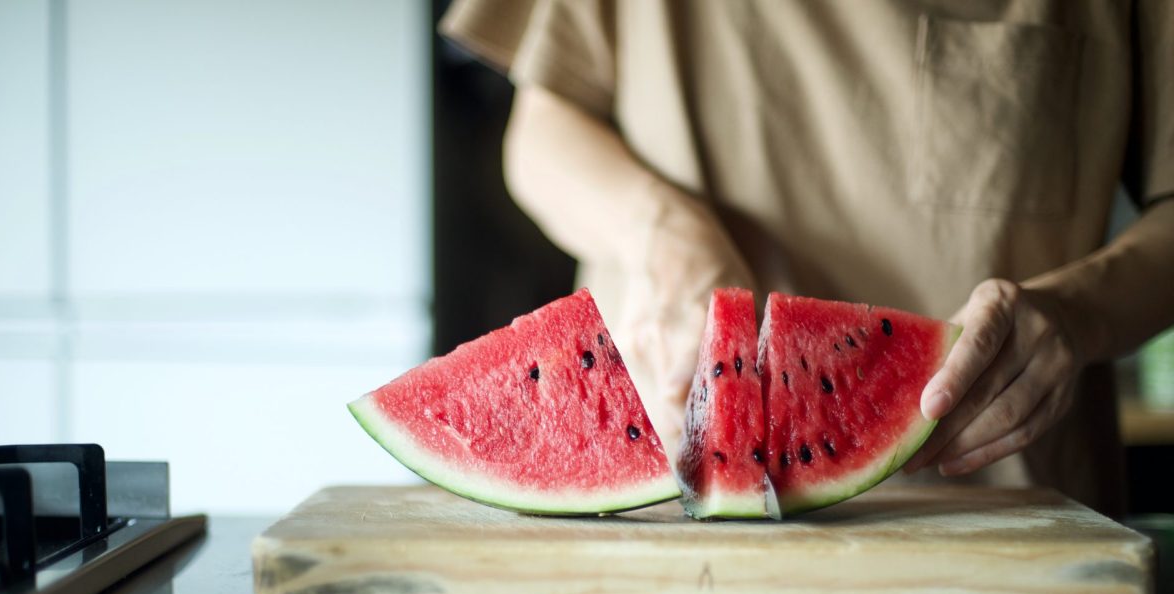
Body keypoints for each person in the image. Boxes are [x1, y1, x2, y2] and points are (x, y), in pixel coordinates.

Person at [440, 0, 1174, 517]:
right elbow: (539, 133)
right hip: (663, 500)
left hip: (999, 521)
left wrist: (1078, 314)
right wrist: (664, 235)